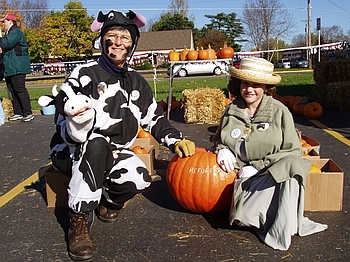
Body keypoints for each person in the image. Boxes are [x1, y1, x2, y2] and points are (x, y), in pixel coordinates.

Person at [45, 10, 195, 261]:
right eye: (111, 35)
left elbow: (154, 119)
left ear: (133, 43)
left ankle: (107, 201)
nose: (117, 42)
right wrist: (76, 128)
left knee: (140, 178)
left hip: (113, 153)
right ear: (102, 40)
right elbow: (62, 117)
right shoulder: (84, 74)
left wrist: (176, 139)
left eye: (125, 37)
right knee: (95, 143)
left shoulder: (136, 82)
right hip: (72, 152)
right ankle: (78, 220)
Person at [214, 57, 327, 250]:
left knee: (292, 164)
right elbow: (218, 138)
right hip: (237, 179)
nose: (249, 89)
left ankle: (280, 221)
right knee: (246, 216)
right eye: (245, 83)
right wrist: (222, 149)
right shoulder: (231, 110)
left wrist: (257, 167)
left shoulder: (280, 112)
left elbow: (293, 150)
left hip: (270, 176)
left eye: (256, 84)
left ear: (266, 87)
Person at [0, 13, 33, 122]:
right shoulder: (9, 33)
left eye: (4, 21)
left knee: (19, 89)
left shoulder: (16, 32)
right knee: (12, 89)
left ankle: (27, 112)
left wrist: (0, 38)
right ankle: (18, 112)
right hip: (10, 66)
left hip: (17, 66)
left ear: (10, 21)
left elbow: (6, 43)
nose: (3, 24)